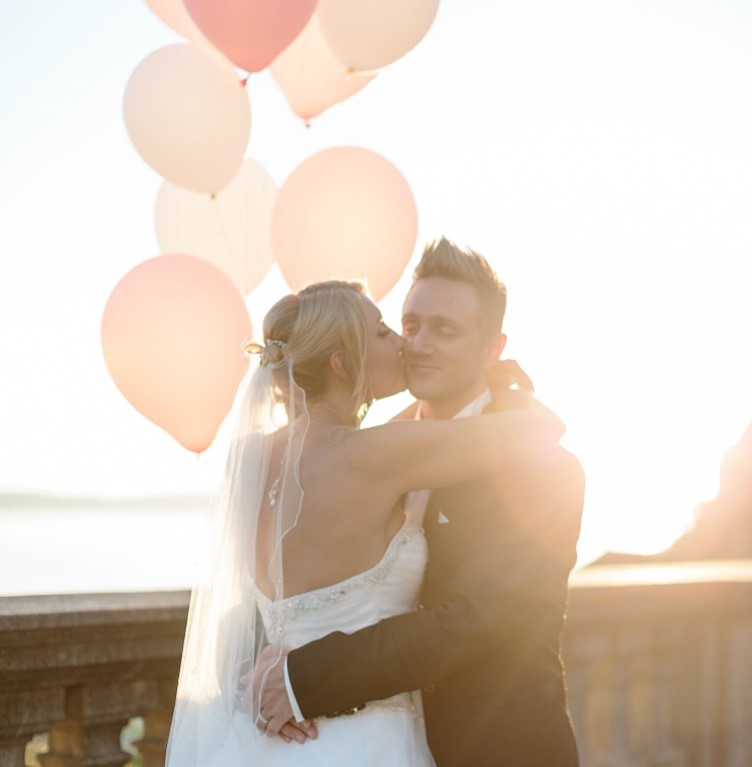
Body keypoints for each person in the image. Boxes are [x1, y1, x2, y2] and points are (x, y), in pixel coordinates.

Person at [164, 278, 566, 767]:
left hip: (268, 739)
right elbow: (542, 431)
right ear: (340, 361)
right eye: (383, 332)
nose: (403, 342)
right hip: (367, 742)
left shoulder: (253, 457)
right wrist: (504, 383)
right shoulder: (375, 455)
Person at [257, 240, 586, 766]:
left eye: (445, 330)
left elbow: (476, 620)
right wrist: (267, 657)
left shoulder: (544, 471)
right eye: (408, 325)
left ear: (491, 349)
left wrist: (301, 678)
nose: (417, 344)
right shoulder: (365, 451)